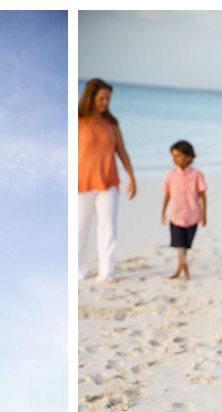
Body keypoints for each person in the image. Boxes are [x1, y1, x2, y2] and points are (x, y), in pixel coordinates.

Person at [78, 78, 137, 282]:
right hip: (81, 183)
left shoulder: (111, 123)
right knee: (79, 228)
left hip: (108, 182)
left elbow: (121, 151)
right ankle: (78, 269)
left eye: (108, 98)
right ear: (90, 97)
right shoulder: (78, 119)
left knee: (108, 228)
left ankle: (106, 272)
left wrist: (132, 177)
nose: (105, 102)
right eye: (101, 98)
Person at [161, 140, 206, 280]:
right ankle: (182, 267)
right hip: (175, 215)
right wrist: (162, 212)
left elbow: (203, 195)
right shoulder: (171, 175)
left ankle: (181, 267)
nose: (175, 159)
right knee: (179, 244)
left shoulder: (197, 174)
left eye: (179, 155)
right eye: (173, 156)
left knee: (186, 245)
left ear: (189, 157)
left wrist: (204, 214)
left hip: (193, 215)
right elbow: (167, 194)